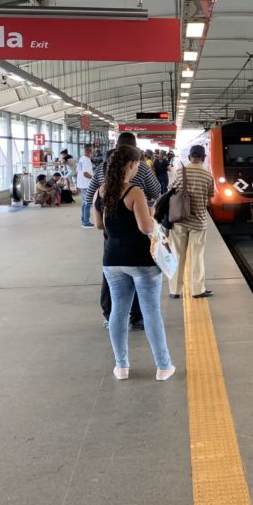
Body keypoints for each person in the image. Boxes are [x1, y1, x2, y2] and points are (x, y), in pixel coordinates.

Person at [93, 145, 175, 381]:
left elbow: (98, 224)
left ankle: (121, 367)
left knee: (118, 311)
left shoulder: (101, 190)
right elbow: (146, 228)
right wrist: (150, 212)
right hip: (140, 261)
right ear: (130, 165)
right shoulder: (134, 192)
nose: (138, 166)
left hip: (112, 261)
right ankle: (163, 366)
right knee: (151, 312)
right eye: (137, 163)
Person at [86, 132, 158, 330]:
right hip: (136, 227)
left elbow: (91, 195)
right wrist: (147, 208)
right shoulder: (140, 166)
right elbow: (155, 190)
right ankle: (137, 316)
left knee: (112, 274)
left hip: (111, 231)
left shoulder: (103, 166)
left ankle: (109, 314)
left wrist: (101, 207)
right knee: (138, 274)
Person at [169, 144, 216, 299]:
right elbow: (210, 200)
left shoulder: (179, 173)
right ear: (203, 158)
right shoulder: (208, 176)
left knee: (177, 255)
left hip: (179, 220)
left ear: (189, 157)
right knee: (197, 256)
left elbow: (170, 191)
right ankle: (197, 290)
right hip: (198, 222)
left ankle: (175, 290)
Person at [77, 144, 95, 228]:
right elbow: (85, 174)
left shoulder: (82, 158)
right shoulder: (87, 160)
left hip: (81, 184)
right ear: (89, 151)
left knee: (84, 203)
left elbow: (80, 171)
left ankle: (83, 219)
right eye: (92, 150)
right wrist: (94, 177)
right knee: (87, 203)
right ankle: (86, 222)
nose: (93, 152)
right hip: (86, 184)